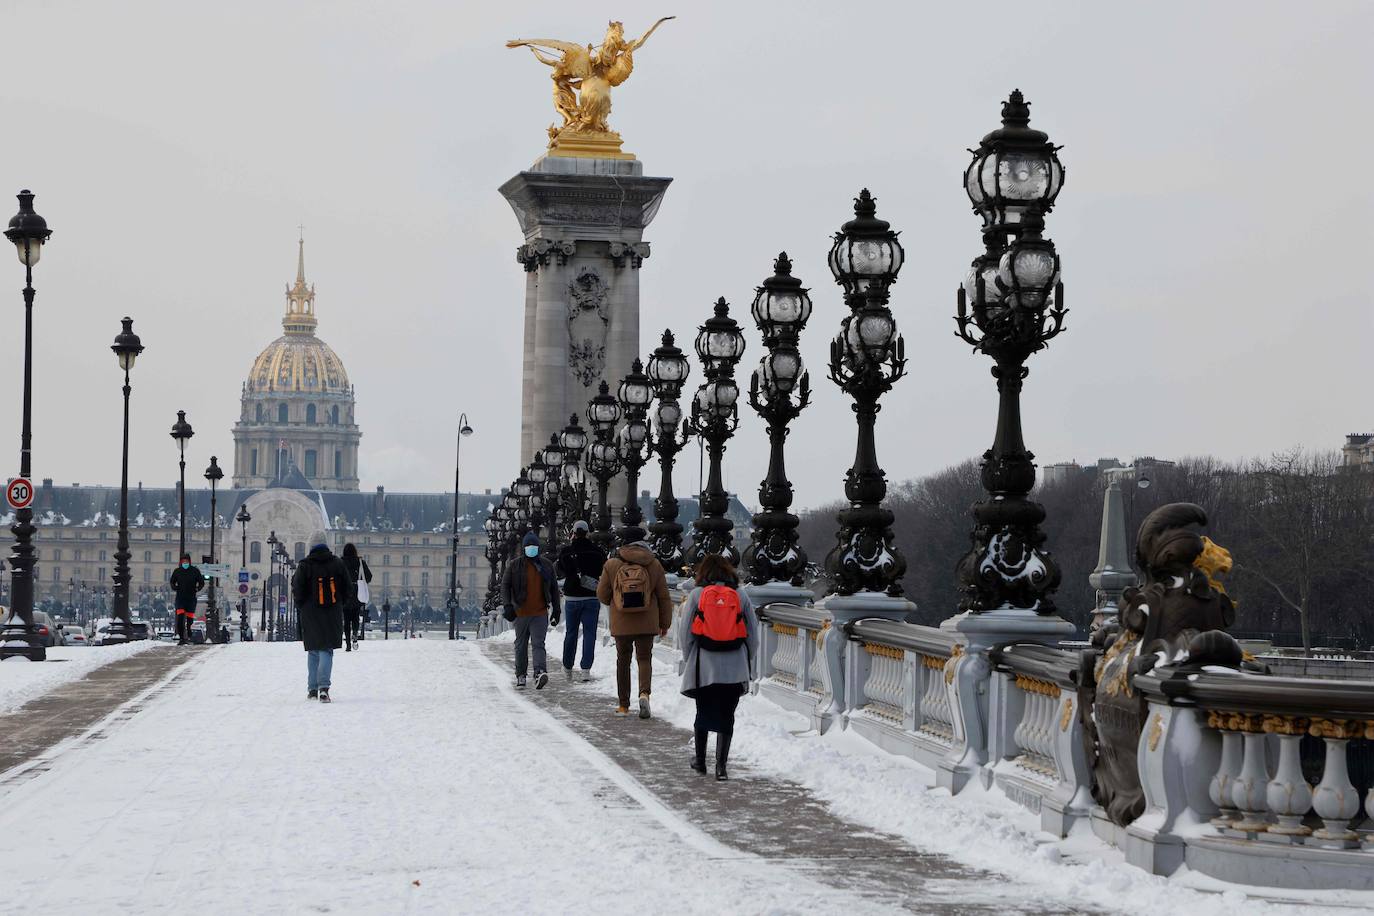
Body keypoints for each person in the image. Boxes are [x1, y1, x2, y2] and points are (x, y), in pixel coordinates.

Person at [677, 554, 758, 781]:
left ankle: (700, 761)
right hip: (735, 667)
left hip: (704, 665)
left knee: (703, 712)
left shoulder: (696, 595)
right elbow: (754, 635)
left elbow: (685, 634)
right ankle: (721, 768)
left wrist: (690, 658)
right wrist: (745, 658)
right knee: (727, 715)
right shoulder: (740, 595)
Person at [597, 526, 672, 719]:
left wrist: (616, 601)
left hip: (622, 622)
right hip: (647, 621)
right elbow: (664, 597)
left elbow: (602, 595)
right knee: (644, 658)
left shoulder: (612, 564)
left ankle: (623, 705)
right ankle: (644, 693)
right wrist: (665, 623)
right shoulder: (653, 564)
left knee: (623, 660)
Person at [293, 531, 353, 703]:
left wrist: (301, 606)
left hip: (310, 612)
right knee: (326, 649)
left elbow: (298, 589)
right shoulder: (337, 563)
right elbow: (348, 588)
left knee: (313, 650)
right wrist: (340, 604)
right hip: (332, 612)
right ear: (326, 545)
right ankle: (323, 688)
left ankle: (312, 689)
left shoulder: (304, 565)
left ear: (311, 546)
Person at [500, 531, 561, 690]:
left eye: (534, 546)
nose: (531, 549)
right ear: (524, 548)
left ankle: (540, 672)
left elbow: (554, 588)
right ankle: (521, 675)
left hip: (540, 613)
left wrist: (557, 610)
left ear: (538, 548)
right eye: (529, 546)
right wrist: (507, 605)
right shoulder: (514, 565)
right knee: (520, 645)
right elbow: (505, 586)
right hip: (520, 613)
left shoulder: (546, 565)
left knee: (538, 644)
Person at [557, 519, 607, 682]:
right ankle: (586, 669)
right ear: (587, 533)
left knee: (571, 633)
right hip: (592, 597)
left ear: (573, 533)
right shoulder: (598, 552)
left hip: (572, 598)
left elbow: (560, 571)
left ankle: (567, 668)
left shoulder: (566, 552)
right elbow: (603, 571)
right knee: (589, 634)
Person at [341, 542, 373, 651]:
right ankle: (355, 633)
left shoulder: (340, 562)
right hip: (357, 592)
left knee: (346, 619)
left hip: (344, 592)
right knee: (355, 617)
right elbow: (369, 577)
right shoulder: (360, 562)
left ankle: (348, 643)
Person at [168, 553, 205, 646]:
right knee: (180, 619)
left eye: (186, 561)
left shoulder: (195, 571)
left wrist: (197, 589)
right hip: (180, 598)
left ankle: (188, 632)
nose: (185, 563)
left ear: (189, 562)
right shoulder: (177, 571)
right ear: (181, 562)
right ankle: (181, 638)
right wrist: (174, 587)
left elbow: (201, 582)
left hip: (191, 599)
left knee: (189, 620)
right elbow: (172, 581)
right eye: (183, 561)